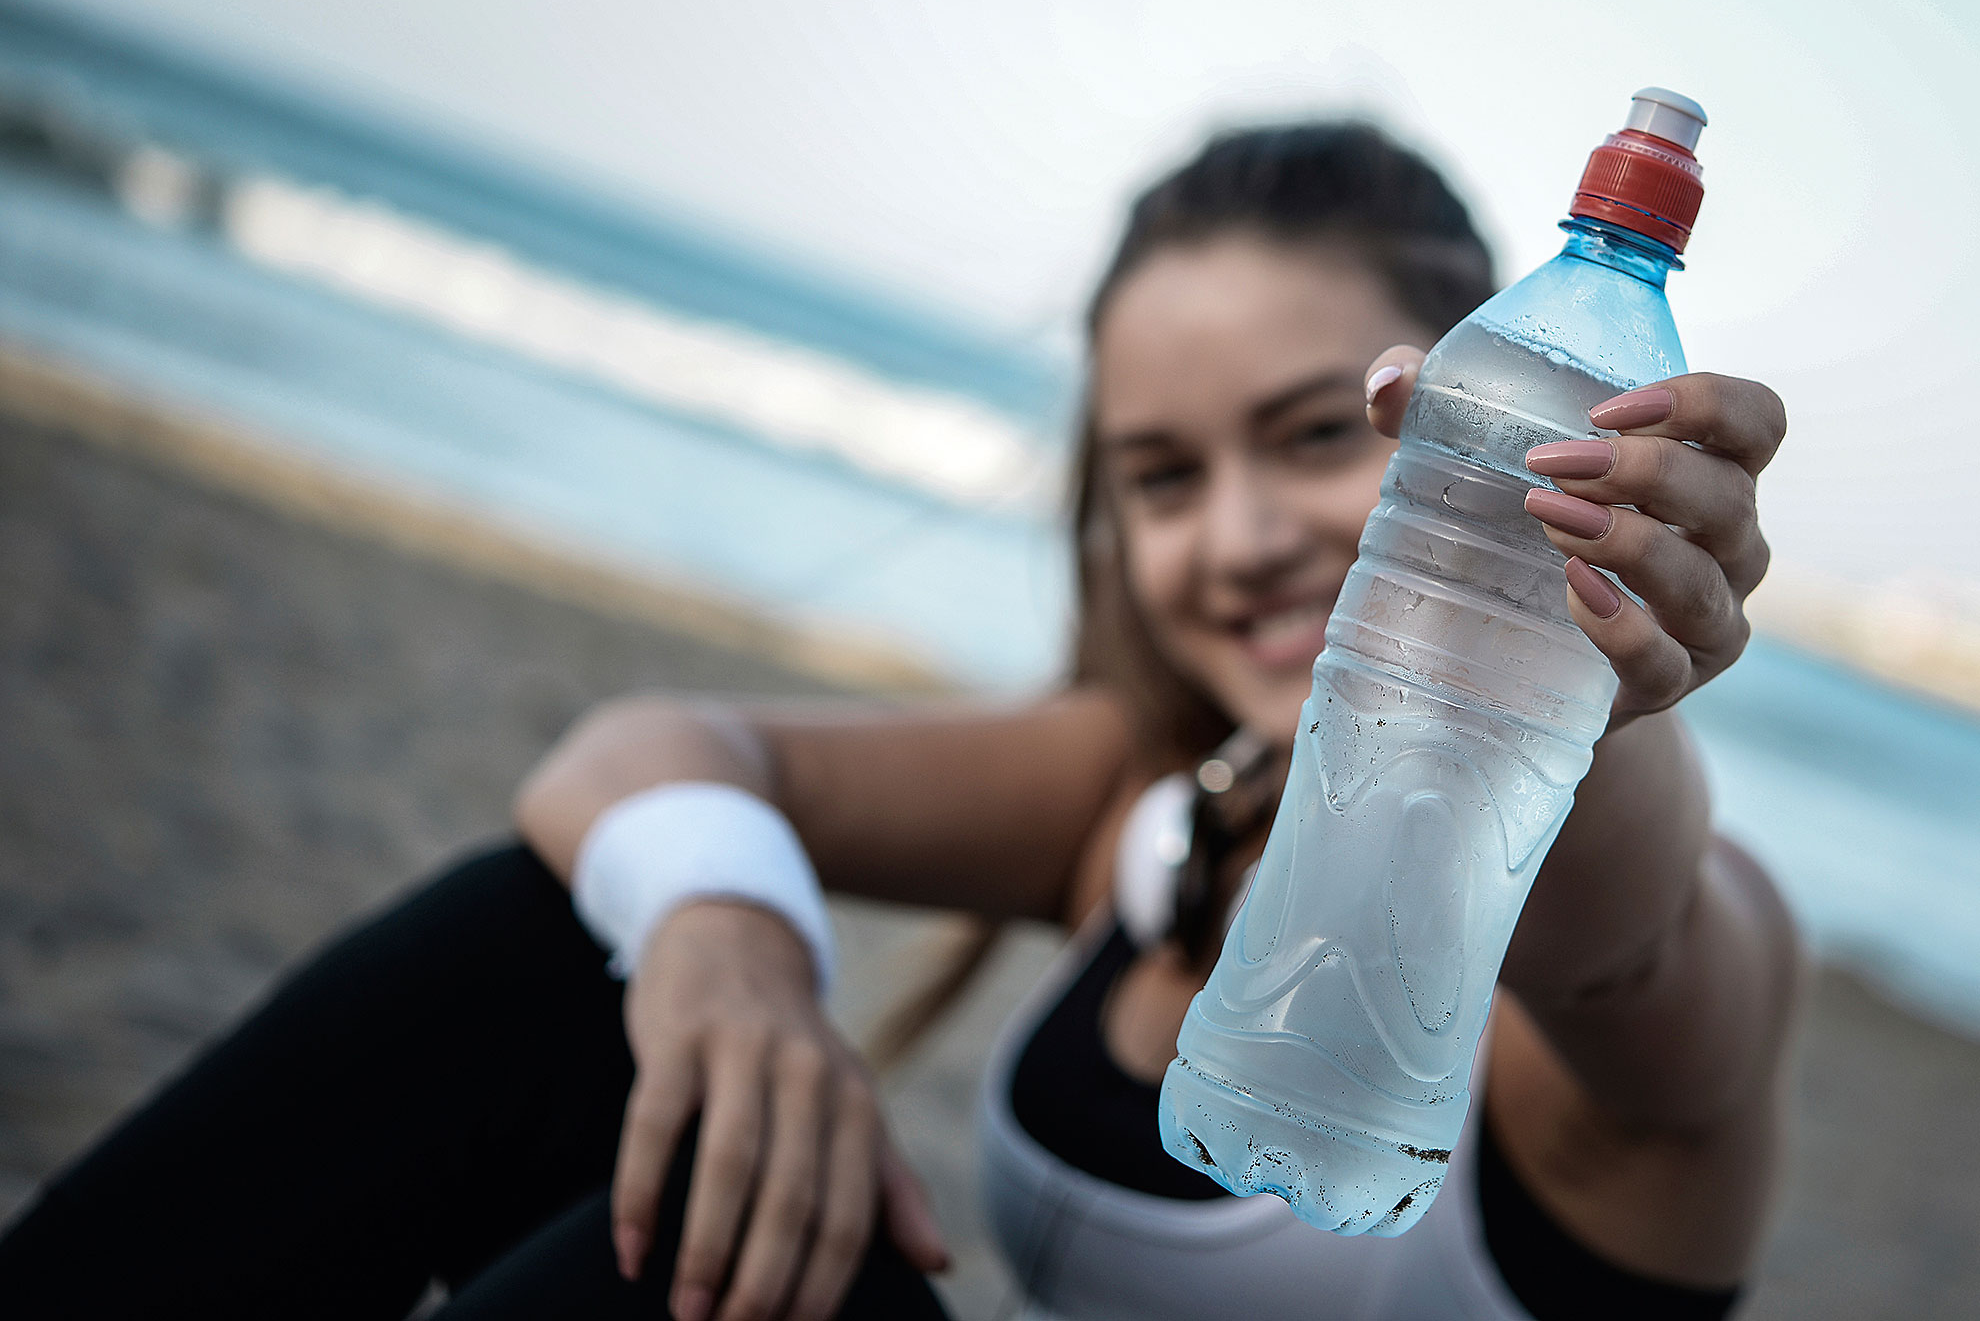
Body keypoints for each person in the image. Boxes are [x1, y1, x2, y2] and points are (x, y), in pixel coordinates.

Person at [0, 122, 1798, 1321]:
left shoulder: (1672, 961)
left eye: (1323, 434)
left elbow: (1618, 936)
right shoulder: (1146, 804)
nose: (1239, 537)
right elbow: (648, 748)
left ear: (1470, 421)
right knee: (576, 954)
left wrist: (1590, 659)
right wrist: (728, 941)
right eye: (1162, 476)